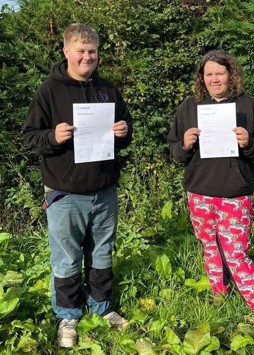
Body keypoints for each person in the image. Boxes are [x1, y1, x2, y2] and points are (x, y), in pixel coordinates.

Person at [23, 23, 133, 348]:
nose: (87, 57)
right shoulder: (48, 91)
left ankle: (101, 306)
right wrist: (51, 137)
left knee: (102, 252)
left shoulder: (108, 91)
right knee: (67, 256)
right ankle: (68, 314)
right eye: (81, 51)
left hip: (104, 189)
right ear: (66, 52)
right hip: (64, 192)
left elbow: (127, 135)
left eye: (92, 51)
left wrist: (124, 131)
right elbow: (31, 137)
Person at [167, 50, 254, 328]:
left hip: (234, 193)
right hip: (199, 192)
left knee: (236, 253)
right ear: (201, 79)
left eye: (220, 73)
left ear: (231, 75)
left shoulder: (248, 107)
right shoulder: (188, 107)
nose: (214, 79)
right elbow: (175, 152)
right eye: (209, 74)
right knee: (209, 247)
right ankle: (219, 294)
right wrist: (185, 144)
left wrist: (249, 143)